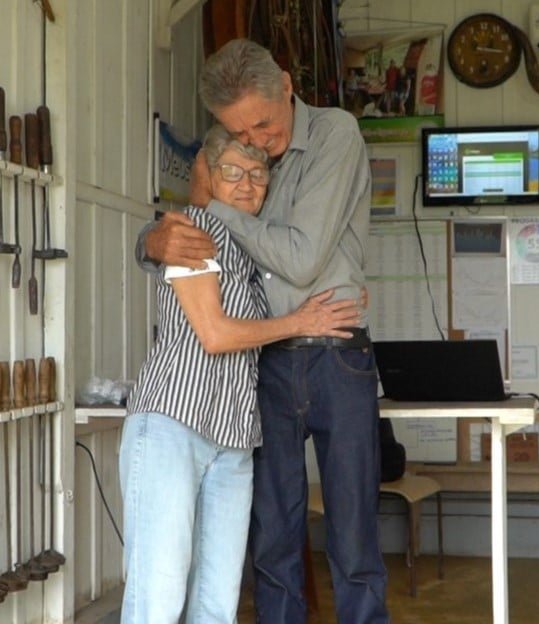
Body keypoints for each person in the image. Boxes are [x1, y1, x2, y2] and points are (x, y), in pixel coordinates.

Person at [137, 38, 389, 623]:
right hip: (266, 360)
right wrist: (151, 239)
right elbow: (186, 241)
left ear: (287, 85)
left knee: (353, 536)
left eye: (263, 125)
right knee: (273, 536)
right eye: (239, 133)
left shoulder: (334, 134)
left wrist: (214, 207)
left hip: (336, 356)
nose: (256, 142)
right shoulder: (243, 158)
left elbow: (299, 259)